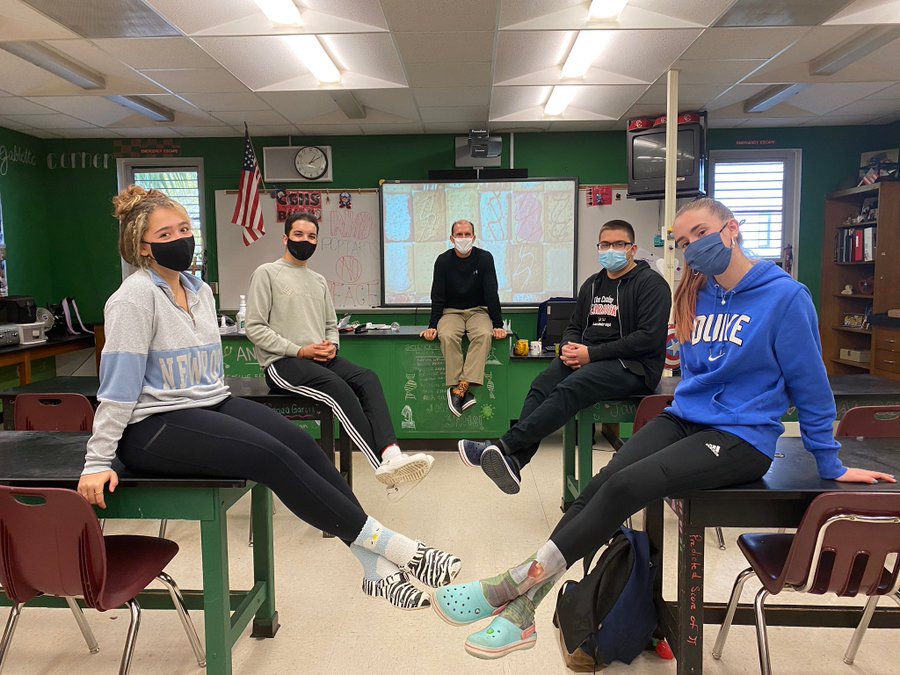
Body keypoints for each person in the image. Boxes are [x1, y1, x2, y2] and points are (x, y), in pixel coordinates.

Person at [432, 197, 895, 658]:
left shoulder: (786, 297)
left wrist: (828, 460)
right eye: (682, 240)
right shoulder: (698, 293)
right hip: (684, 418)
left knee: (628, 486)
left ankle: (512, 588)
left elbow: (811, 387)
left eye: (699, 233)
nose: (692, 246)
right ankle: (524, 611)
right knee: (603, 483)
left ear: (731, 229)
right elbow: (698, 375)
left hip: (741, 437)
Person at [77, 187, 461, 611]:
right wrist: (97, 462)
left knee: (299, 443)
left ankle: (370, 566)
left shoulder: (200, 292)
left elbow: (205, 379)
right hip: (152, 426)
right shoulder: (133, 298)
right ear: (143, 247)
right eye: (166, 234)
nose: (181, 239)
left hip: (209, 403)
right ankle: (395, 548)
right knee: (269, 457)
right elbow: (116, 389)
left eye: (185, 228)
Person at [458, 219, 670, 494]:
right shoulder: (593, 285)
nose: (611, 250)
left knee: (571, 387)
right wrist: (570, 347)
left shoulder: (651, 284)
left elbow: (647, 338)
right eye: (605, 244)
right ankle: (515, 461)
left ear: (633, 249)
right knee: (541, 384)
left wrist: (591, 355)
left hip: (633, 366)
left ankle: (502, 446)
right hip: (589, 358)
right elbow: (574, 326)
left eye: (619, 244)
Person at [246, 212, 434, 497]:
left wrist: (332, 345)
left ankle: (391, 452)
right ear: (285, 238)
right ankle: (380, 466)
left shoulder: (318, 280)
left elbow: (331, 326)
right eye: (298, 235)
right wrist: (299, 350)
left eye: (311, 236)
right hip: (283, 363)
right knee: (337, 388)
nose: (305, 241)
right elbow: (255, 327)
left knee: (367, 378)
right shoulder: (267, 273)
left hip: (320, 358)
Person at [420, 219, 507, 417]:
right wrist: (433, 325)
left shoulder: (485, 258)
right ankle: (463, 391)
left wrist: (498, 324)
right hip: (451, 311)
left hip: (478, 310)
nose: (464, 238)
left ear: (474, 237)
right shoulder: (443, 261)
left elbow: (492, 292)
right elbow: (437, 295)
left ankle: (460, 388)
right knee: (447, 335)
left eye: (467, 234)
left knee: (484, 334)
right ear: (452, 238)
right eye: (459, 235)